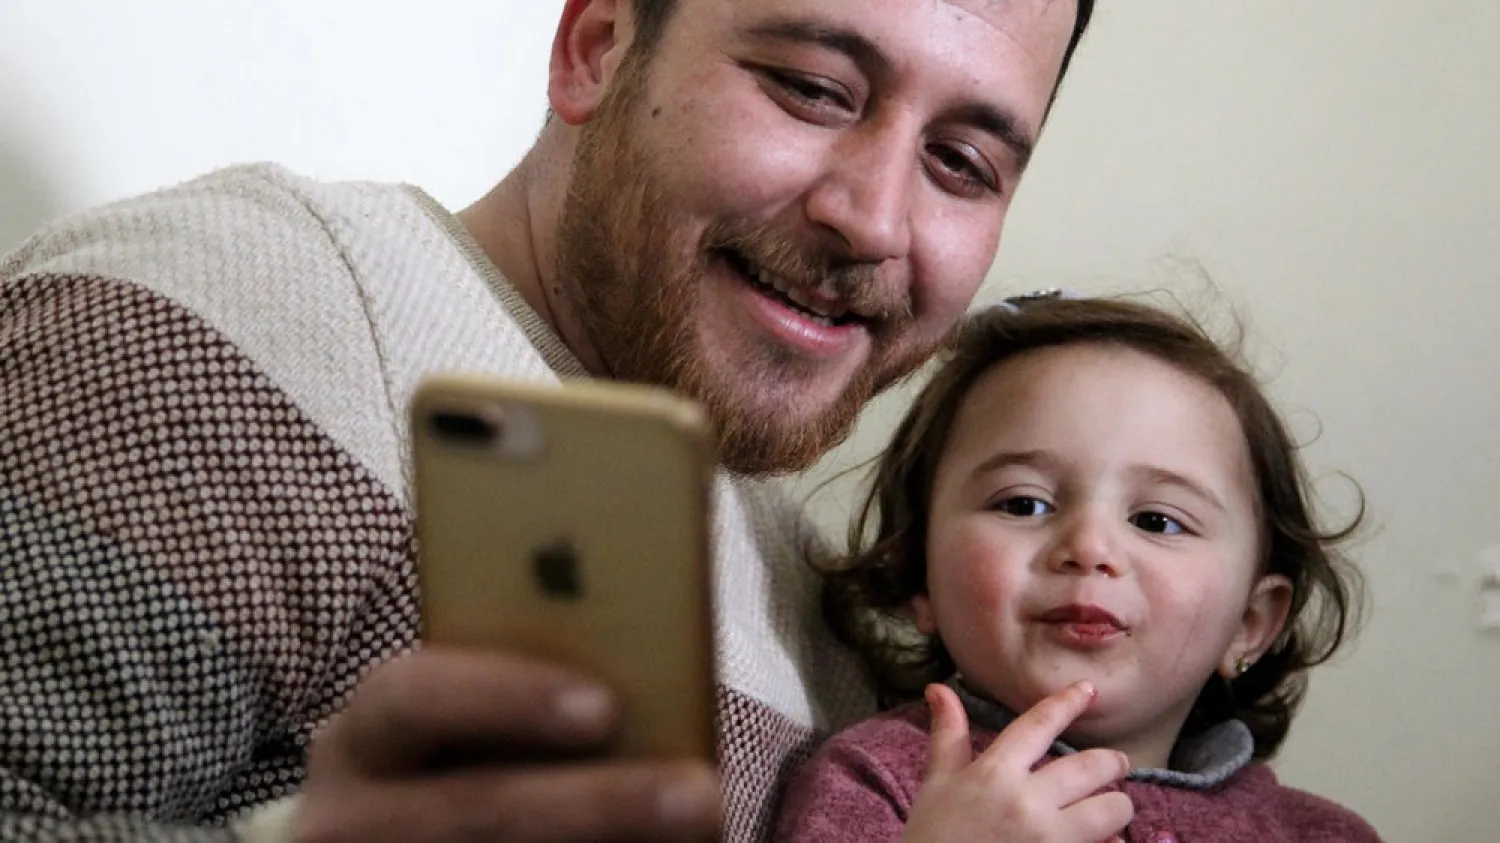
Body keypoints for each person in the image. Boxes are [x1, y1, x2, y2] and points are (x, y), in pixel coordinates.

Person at [0, 1, 1099, 841]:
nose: (872, 220)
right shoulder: (240, 314)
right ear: (598, 47)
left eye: (961, 163)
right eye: (813, 88)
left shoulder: (824, 614)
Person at [775, 296, 1381, 842]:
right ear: (917, 576)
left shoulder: (1320, 834)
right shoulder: (877, 780)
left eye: (1158, 521)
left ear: (1249, 622)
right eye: (1023, 504)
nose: (1089, 547)